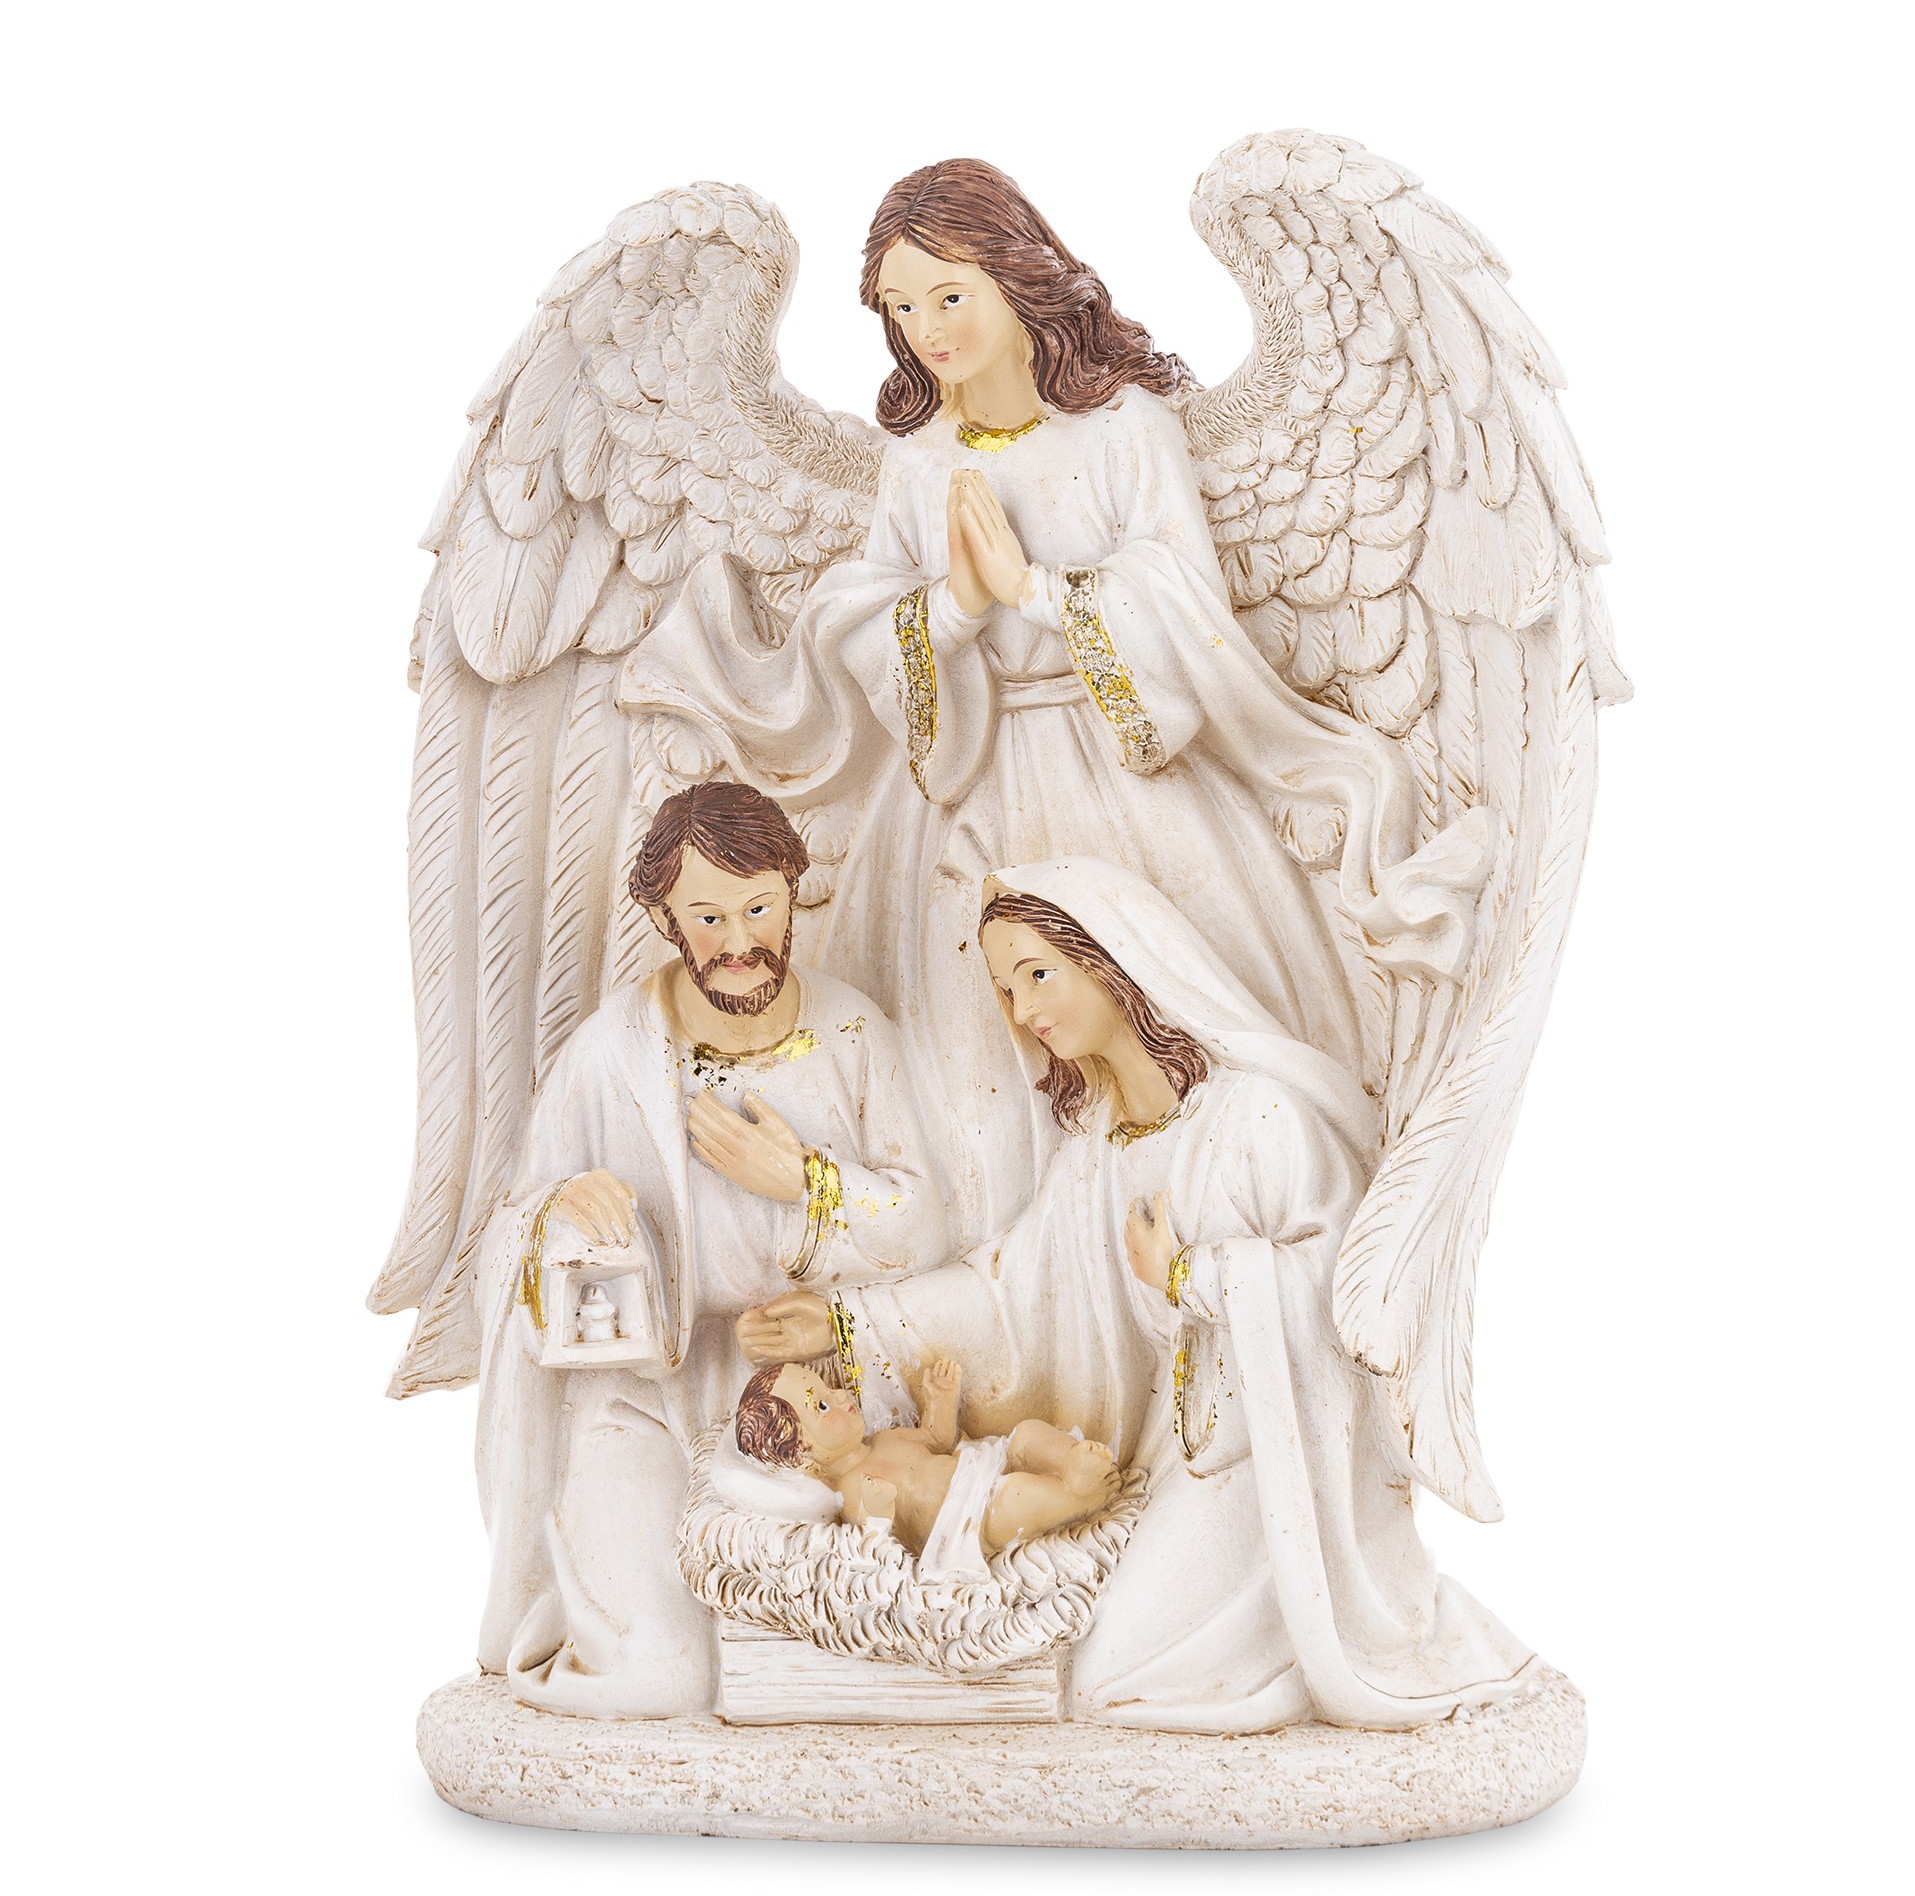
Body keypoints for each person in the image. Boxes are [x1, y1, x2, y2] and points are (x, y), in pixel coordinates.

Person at [618, 159, 1488, 1247]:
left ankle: (1191, 1258)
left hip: (1124, 768)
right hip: (968, 789)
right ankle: (1005, 1285)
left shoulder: (1123, 428)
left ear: (1015, 276)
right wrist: (951, 608)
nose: (927, 330)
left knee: (1167, 1021)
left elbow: (1184, 599)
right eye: (901, 308)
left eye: (949, 295)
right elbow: (861, 616)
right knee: (970, 1071)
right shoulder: (917, 461)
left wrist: (1037, 591)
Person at [738, 857, 1531, 1734]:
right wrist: (847, 1320)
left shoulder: (1256, 1118)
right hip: (1176, 1453)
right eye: (1007, 989)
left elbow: (1339, 1289)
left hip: (1275, 1462)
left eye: (1038, 974)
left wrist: (1193, 1277)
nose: (1023, 1011)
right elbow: (1010, 1296)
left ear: (1113, 960)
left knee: (1119, 1678)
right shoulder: (1100, 1148)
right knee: (1110, 1674)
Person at [475, 780, 945, 1717]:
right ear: (664, 918)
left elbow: (928, 1224)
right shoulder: (609, 1056)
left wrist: (805, 1183)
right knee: (667, 1675)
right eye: (709, 917)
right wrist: (563, 1211)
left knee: (857, 1644)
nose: (739, 942)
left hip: (824, 1399)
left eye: (760, 909)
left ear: (793, 893)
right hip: (645, 1398)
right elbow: (507, 1234)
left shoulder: (852, 1033)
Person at [733, 1358, 1119, 1580]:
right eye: (820, 1406)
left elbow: (936, 1440)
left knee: (1027, 1436)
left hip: (978, 1465)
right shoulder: (851, 1490)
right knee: (1016, 1497)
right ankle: (1078, 1494)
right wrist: (877, 1515)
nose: (839, 1395)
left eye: (827, 1388)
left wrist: (941, 1401)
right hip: (968, 1517)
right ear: (804, 1453)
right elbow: (875, 1553)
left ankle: (1070, 1459)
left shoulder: (885, 1438)